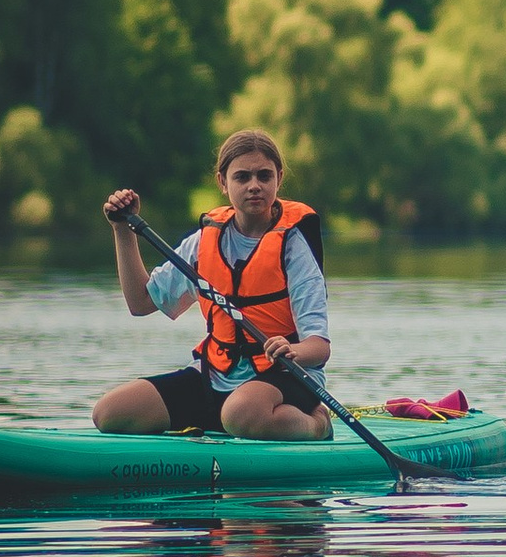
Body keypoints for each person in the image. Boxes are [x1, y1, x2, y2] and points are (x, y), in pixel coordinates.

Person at [94, 130, 333, 442]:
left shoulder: (293, 245)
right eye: (242, 177)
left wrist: (293, 350)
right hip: (215, 375)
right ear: (223, 182)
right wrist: (122, 230)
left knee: (240, 412)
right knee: (110, 413)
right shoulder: (203, 242)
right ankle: (225, 421)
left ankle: (317, 423)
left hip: (285, 377)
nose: (254, 185)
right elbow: (140, 303)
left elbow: (319, 347)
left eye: (264, 176)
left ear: (279, 178)